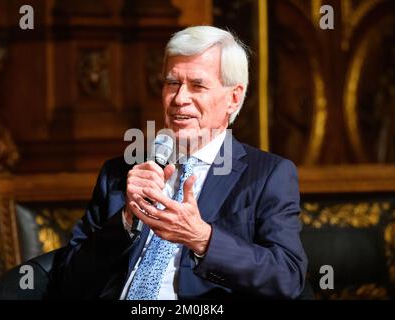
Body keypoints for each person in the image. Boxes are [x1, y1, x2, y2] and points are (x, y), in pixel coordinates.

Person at [51, 26, 308, 299]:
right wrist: (127, 219)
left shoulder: (267, 175)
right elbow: (67, 283)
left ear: (233, 98)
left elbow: (287, 278)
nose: (179, 99)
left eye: (197, 86)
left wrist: (203, 240)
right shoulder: (120, 173)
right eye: (172, 83)